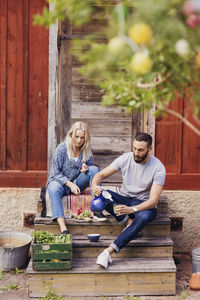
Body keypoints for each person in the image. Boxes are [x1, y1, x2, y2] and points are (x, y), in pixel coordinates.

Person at [91, 132, 166, 268]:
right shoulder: (126, 158)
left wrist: (132, 209)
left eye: (141, 150)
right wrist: (94, 186)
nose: (136, 153)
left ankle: (108, 252)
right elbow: (100, 175)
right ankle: (128, 221)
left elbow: (153, 201)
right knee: (102, 194)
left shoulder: (158, 168)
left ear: (150, 149)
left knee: (144, 217)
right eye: (134, 148)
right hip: (124, 198)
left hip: (144, 205)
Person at [47, 121, 105, 235]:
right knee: (53, 188)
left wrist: (85, 167)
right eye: (76, 136)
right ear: (71, 135)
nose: (79, 140)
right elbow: (55, 172)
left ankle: (97, 208)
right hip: (60, 182)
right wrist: (70, 184)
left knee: (94, 170)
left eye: (82, 138)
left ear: (86, 138)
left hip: (77, 182)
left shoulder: (86, 149)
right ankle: (63, 228)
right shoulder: (62, 148)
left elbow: (90, 166)